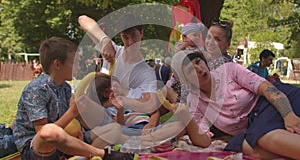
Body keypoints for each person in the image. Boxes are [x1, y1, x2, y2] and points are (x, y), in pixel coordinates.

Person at [13, 37, 134, 160]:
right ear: (57, 64)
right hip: (37, 149)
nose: (79, 67)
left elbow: (84, 124)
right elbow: (43, 134)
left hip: (66, 140)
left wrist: (81, 123)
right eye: (75, 62)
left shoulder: (64, 87)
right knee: (49, 131)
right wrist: (73, 112)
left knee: (114, 129)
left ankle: (84, 156)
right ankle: (104, 155)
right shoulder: (36, 90)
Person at [171, 50, 300, 159]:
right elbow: (204, 141)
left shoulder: (228, 70)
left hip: (270, 101)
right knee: (247, 145)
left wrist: (288, 114)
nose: (198, 69)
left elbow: (266, 87)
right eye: (190, 71)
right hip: (253, 125)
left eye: (198, 62)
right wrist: (187, 118)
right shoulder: (194, 100)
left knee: (262, 139)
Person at [78, 14, 159, 118]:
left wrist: (119, 99)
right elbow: (83, 19)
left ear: (142, 33)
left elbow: (150, 105)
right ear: (120, 35)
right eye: (125, 37)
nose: (130, 42)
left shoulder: (146, 72)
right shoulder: (113, 51)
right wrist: (105, 40)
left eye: (134, 35)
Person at [87, 73, 160, 136]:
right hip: (130, 130)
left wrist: (152, 123)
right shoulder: (110, 108)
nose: (112, 89)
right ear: (104, 97)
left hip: (147, 124)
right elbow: (119, 125)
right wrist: (120, 110)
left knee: (165, 129)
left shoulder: (136, 93)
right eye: (106, 91)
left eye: (110, 84)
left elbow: (154, 111)